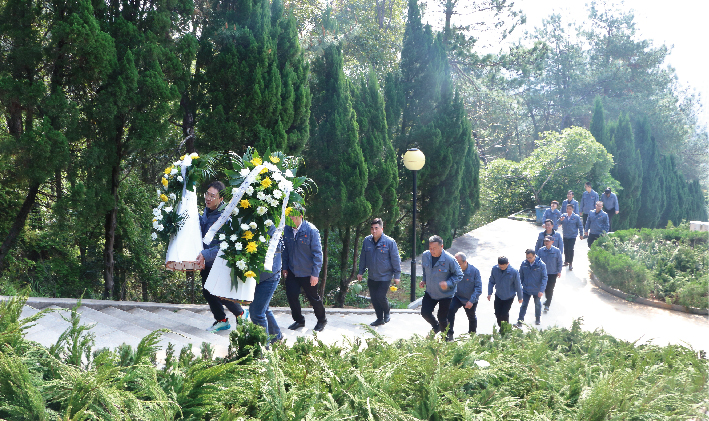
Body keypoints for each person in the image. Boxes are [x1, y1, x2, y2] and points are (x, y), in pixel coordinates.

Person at [196, 181, 244, 333]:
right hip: (206, 262)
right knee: (207, 291)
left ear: (221, 199)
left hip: (218, 262)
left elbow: (226, 245)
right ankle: (222, 320)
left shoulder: (225, 218)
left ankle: (241, 313)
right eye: (207, 194)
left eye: (212, 196)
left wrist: (205, 254)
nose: (208, 198)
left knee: (221, 293)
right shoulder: (207, 211)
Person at [282, 204, 327, 332]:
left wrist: (315, 274)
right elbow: (285, 251)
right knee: (291, 295)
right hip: (292, 271)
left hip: (308, 272)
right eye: (288, 216)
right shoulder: (287, 230)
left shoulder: (311, 230)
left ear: (300, 216)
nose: (290, 219)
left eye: (293, 217)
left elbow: (318, 254)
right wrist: (285, 267)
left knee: (313, 298)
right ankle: (299, 320)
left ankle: (322, 320)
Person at [357, 218, 402, 326]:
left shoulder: (390, 242)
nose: (374, 231)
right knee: (374, 298)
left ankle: (387, 311)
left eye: (376, 228)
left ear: (382, 228)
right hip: (372, 276)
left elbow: (395, 259)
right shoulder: (367, 241)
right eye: (372, 228)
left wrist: (397, 275)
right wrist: (360, 272)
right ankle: (379, 319)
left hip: (385, 276)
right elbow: (363, 258)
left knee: (380, 296)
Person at [419, 235, 463, 335]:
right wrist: (424, 280)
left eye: (434, 248)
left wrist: (448, 283)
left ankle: (446, 338)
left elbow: (459, 275)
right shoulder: (425, 255)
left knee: (442, 318)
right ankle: (436, 326)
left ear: (441, 247)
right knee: (425, 313)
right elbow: (425, 270)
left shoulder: (450, 259)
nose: (432, 250)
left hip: (446, 295)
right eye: (430, 248)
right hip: (430, 292)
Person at [249, 226, 284, 344]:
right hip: (257, 274)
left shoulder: (271, 225)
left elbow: (279, 247)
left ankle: (263, 350)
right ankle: (276, 336)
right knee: (263, 308)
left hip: (269, 275)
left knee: (256, 312)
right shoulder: (248, 221)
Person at [447, 252, 482, 341]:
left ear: (465, 262)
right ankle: (449, 335)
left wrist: (471, 301)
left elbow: (478, 288)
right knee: (450, 310)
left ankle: (472, 337)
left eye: (458, 264)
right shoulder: (453, 271)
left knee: (471, 317)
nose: (456, 266)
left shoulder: (474, 271)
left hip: (470, 298)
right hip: (458, 296)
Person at [487, 256, 523, 328]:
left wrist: (520, 297)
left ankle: (506, 330)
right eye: (500, 267)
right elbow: (491, 281)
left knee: (504, 314)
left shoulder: (514, 272)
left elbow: (518, 285)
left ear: (508, 264)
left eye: (503, 267)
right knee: (497, 313)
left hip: (509, 297)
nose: (502, 268)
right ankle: (501, 327)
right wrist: (489, 293)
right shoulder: (495, 269)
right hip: (498, 295)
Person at [515, 249, 547, 328]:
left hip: (537, 290)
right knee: (524, 305)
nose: (528, 259)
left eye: (530, 257)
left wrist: (541, 290)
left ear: (534, 256)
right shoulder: (524, 264)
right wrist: (520, 288)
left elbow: (544, 278)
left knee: (537, 304)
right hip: (526, 289)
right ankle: (520, 321)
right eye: (527, 257)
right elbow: (520, 276)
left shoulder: (541, 265)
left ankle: (538, 319)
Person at [537, 236, 563, 313]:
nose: (546, 242)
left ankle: (547, 304)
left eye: (548, 241)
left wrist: (559, 271)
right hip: (542, 273)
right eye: (545, 241)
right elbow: (537, 261)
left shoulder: (556, 251)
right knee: (543, 288)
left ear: (552, 242)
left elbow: (559, 261)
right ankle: (547, 299)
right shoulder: (541, 251)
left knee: (550, 288)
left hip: (552, 273)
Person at [558, 204, 584, 270]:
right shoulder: (563, 216)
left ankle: (570, 263)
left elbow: (580, 226)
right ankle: (566, 261)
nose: (568, 210)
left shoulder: (576, 217)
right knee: (566, 249)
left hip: (572, 235)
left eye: (570, 209)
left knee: (570, 249)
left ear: (573, 209)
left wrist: (581, 234)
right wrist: (560, 220)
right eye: (567, 209)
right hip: (565, 235)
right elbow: (557, 223)